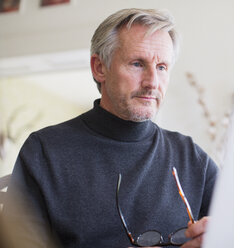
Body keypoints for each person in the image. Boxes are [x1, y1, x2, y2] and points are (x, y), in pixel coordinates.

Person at [3, 8, 218, 248]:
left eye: (162, 68)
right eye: (137, 64)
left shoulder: (192, 158)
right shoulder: (44, 151)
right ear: (99, 67)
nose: (152, 83)